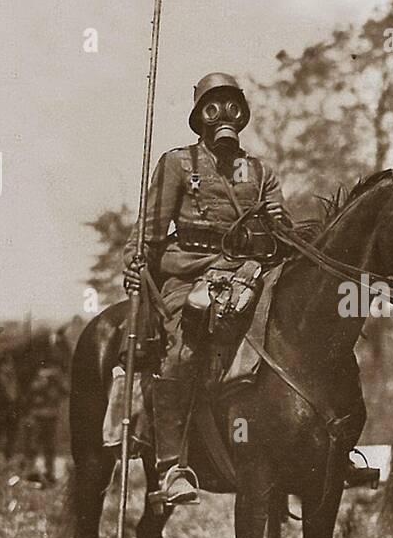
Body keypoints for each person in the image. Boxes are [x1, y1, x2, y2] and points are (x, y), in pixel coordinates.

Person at [123, 72, 288, 505]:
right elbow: (152, 228)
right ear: (201, 116)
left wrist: (279, 237)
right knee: (185, 343)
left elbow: (278, 224)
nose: (224, 118)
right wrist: (137, 257)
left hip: (249, 271)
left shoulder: (260, 171)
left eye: (232, 107)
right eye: (214, 108)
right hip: (188, 272)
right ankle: (172, 465)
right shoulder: (178, 163)